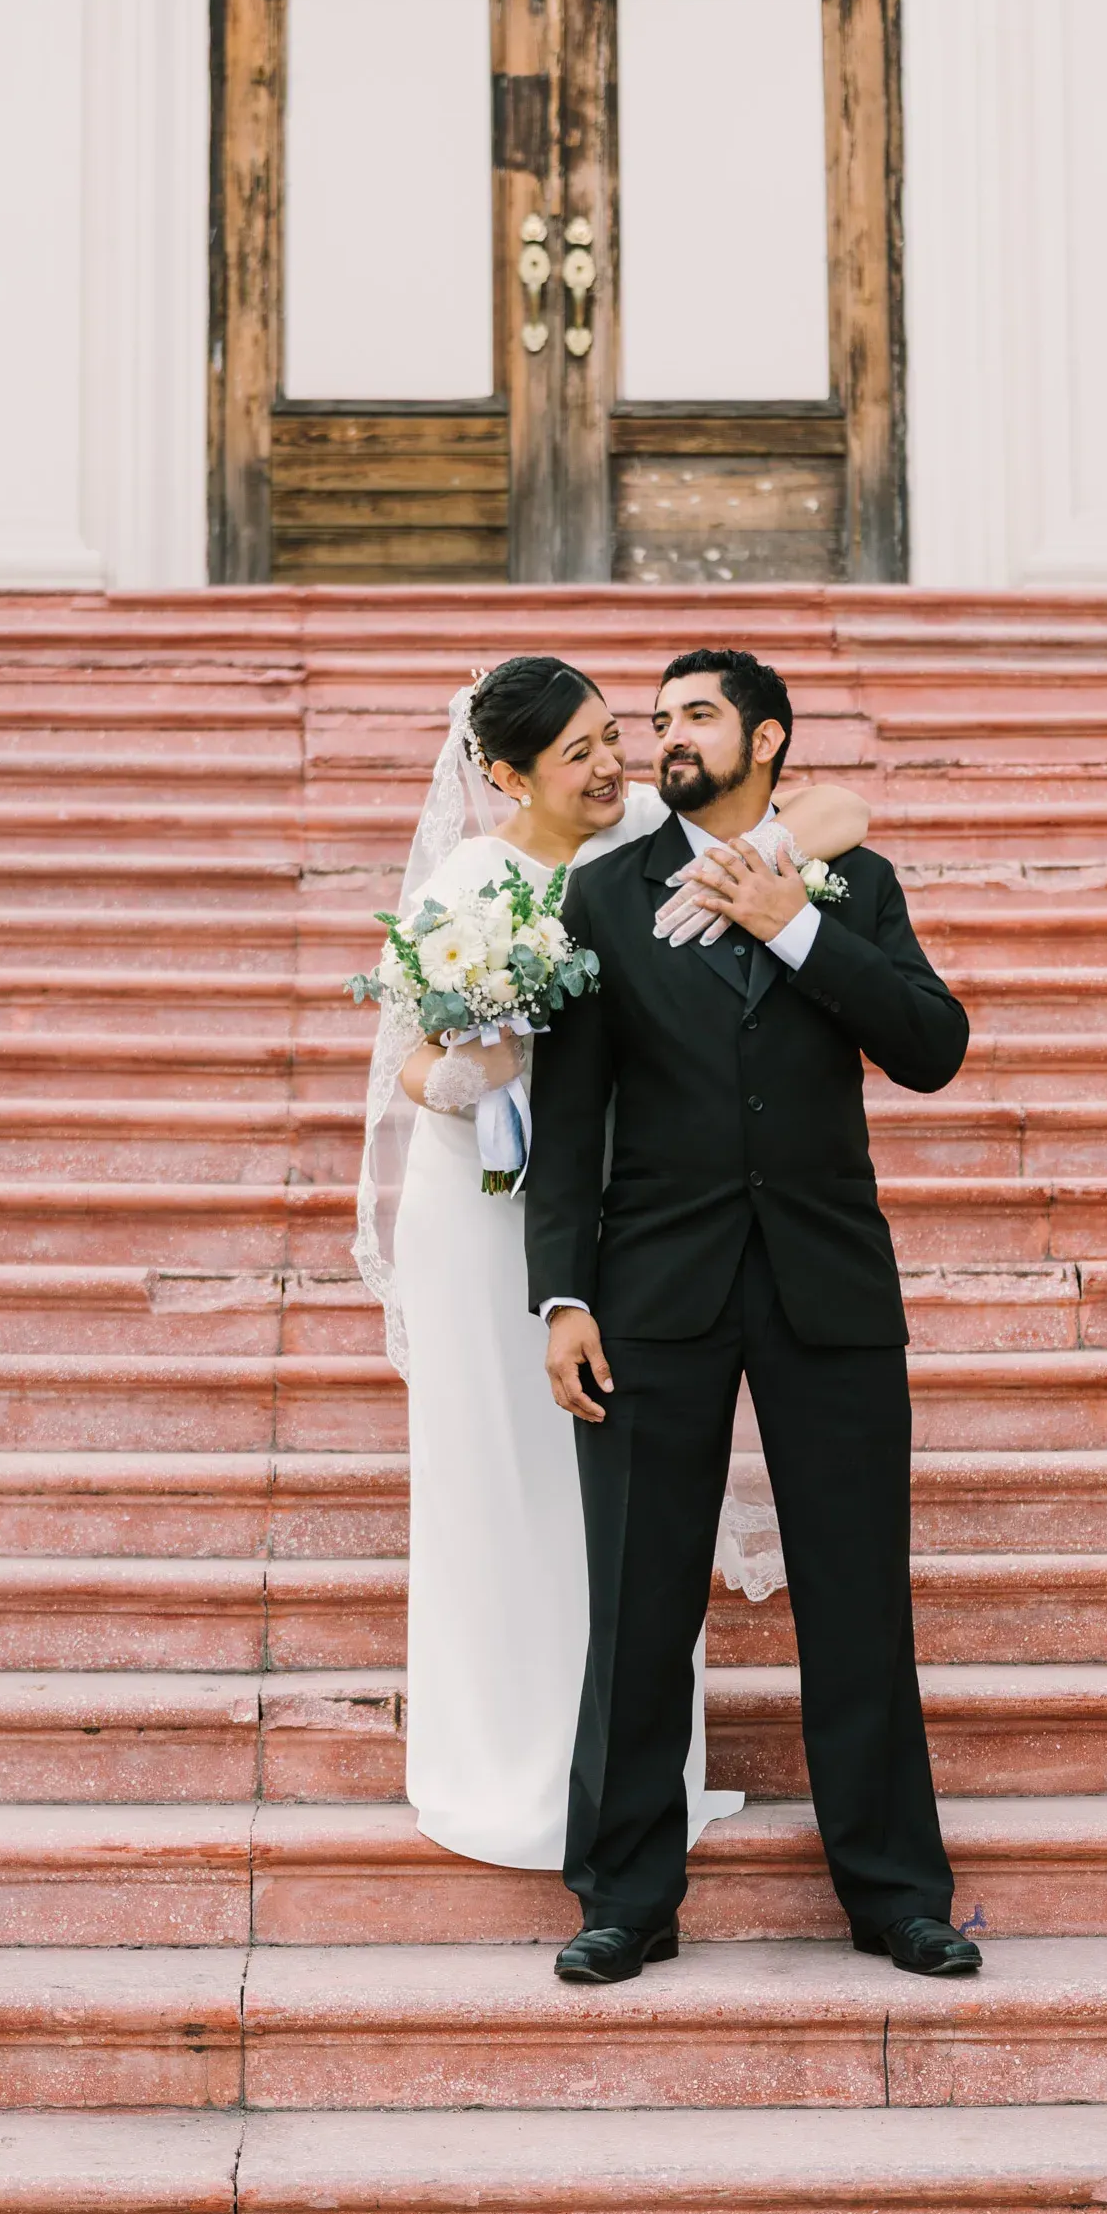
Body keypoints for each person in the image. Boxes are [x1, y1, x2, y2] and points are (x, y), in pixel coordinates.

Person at [353, 653, 871, 1874]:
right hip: (483, 1215)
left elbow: (838, 814)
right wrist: (483, 1076)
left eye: (612, 737)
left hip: (618, 1212)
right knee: (499, 1479)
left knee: (612, 1504)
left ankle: (628, 1768)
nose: (611, 765)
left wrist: (742, 879)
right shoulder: (468, 884)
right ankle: (501, 1759)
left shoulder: (645, 832)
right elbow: (412, 1065)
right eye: (578, 749)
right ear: (501, 772)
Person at [525, 646, 981, 1982]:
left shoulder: (858, 884)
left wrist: (795, 927)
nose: (663, 735)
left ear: (768, 740)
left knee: (856, 1597)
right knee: (639, 1597)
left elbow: (932, 1046)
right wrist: (562, 1294)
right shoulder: (603, 897)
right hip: (651, 1286)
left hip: (827, 1282)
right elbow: (567, 1127)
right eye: (654, 718)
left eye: (697, 715)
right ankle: (625, 1893)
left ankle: (896, 1891)